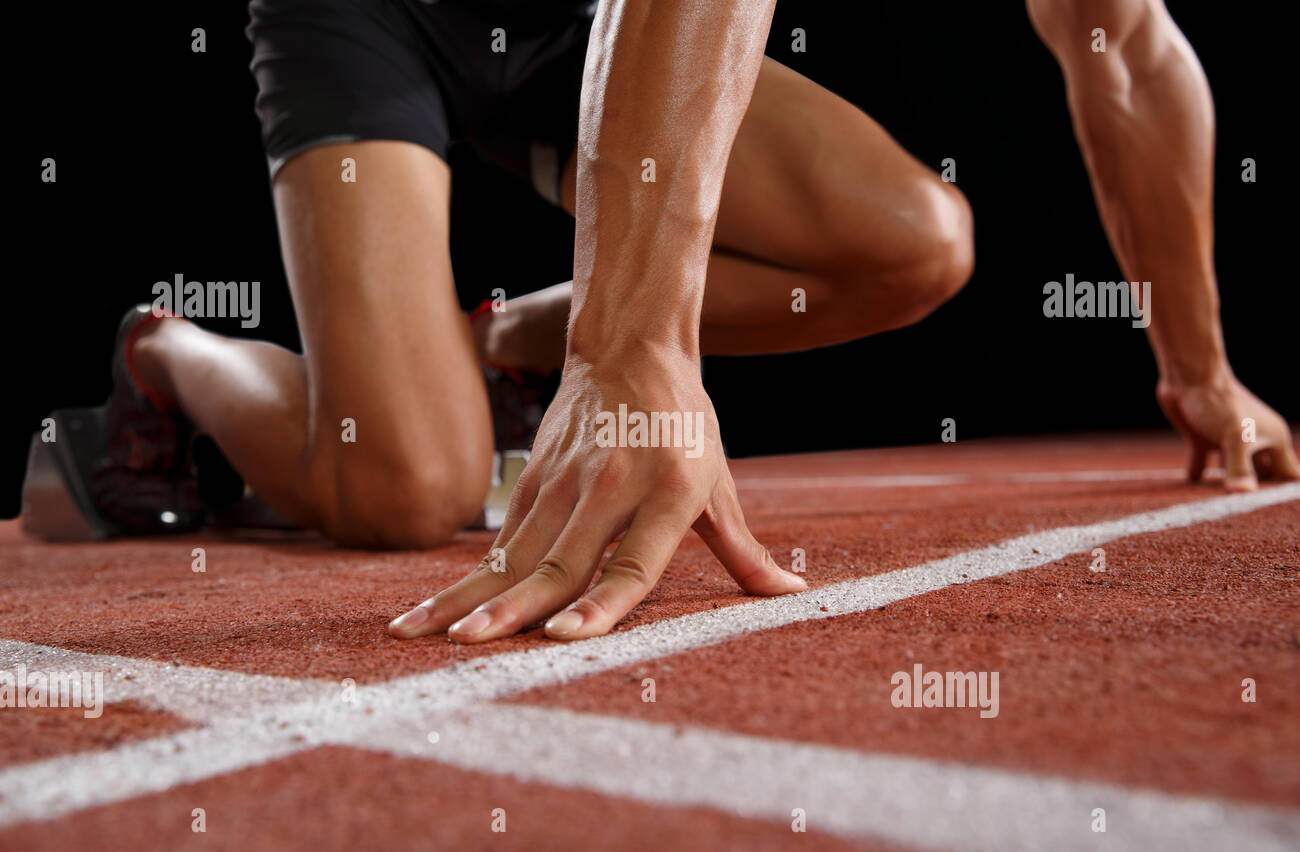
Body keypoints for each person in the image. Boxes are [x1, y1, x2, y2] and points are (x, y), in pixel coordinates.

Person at [86, 0, 1295, 646]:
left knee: (915, 242)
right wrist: (630, 350)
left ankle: (487, 344)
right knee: (406, 490)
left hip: (586, 21)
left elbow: (1123, 43)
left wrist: (1200, 367)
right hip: (374, 12)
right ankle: (168, 350)